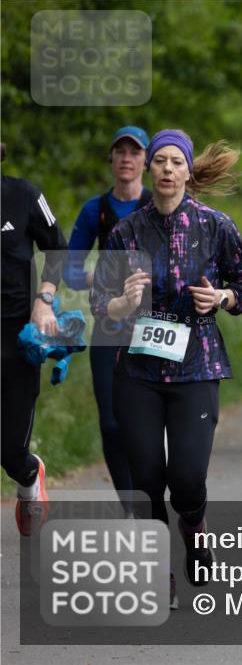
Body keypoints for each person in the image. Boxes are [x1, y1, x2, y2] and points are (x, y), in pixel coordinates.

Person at [90, 129, 242, 608]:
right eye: (159, 161)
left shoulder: (215, 225)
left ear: (187, 171)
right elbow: (100, 303)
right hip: (137, 371)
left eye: (175, 162)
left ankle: (195, 527)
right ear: (150, 169)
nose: (166, 169)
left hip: (196, 365)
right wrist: (124, 303)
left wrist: (220, 297)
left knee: (186, 479)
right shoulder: (125, 232)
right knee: (146, 480)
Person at [64, 126, 153, 497]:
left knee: (148, 420)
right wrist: (102, 277)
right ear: (112, 159)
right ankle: (130, 505)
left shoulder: (157, 203)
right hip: (109, 323)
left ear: (146, 161)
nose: (127, 159)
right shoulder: (95, 210)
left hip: (152, 323)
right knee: (112, 423)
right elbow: (68, 270)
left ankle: (154, 490)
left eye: (135, 152)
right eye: (120, 152)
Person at [1, 142, 67, 537]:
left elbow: (58, 249)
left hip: (16, 337)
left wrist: (44, 301)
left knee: (10, 451)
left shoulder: (24, 195)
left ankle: (29, 477)